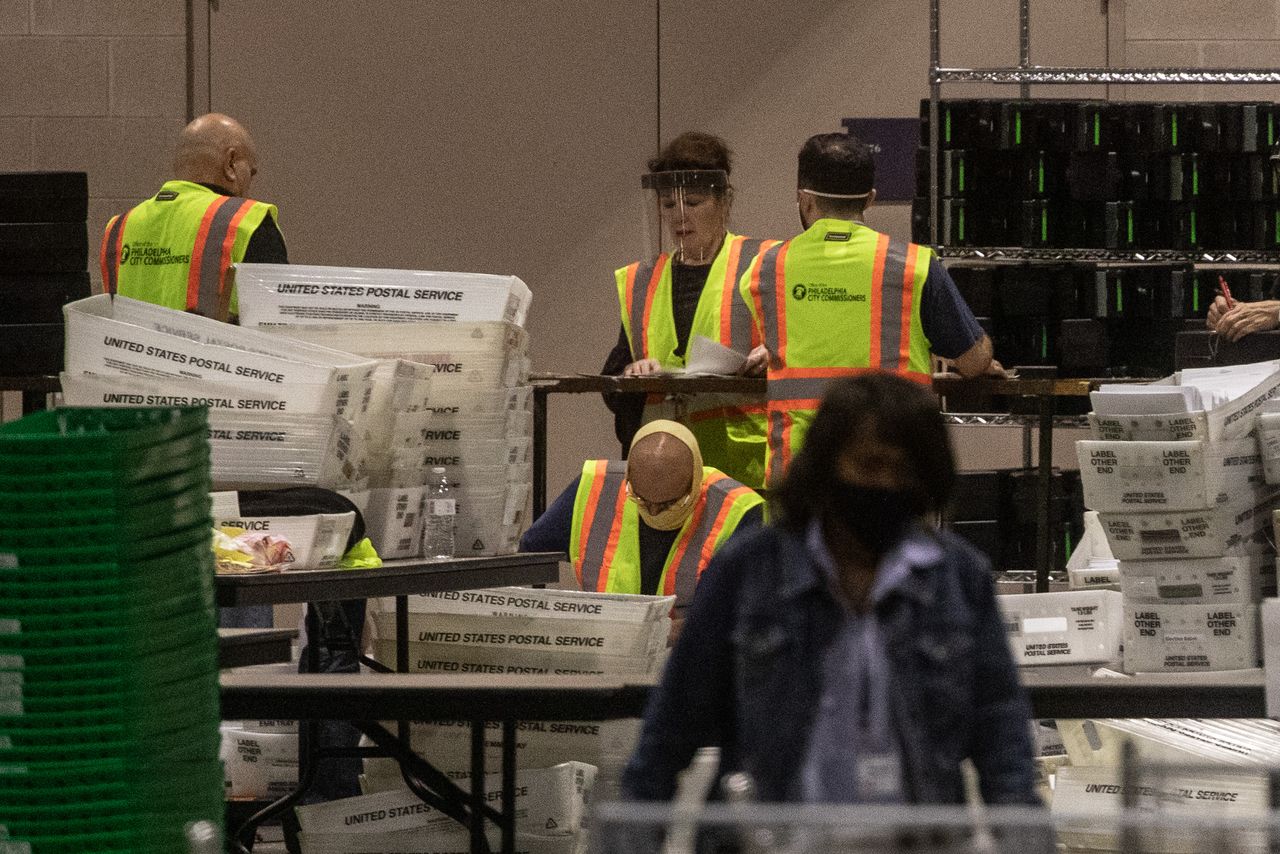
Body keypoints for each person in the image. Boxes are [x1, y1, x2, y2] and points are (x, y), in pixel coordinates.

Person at [621, 372, 1039, 809]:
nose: (887, 486)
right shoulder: (751, 571)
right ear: (826, 464)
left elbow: (1002, 737)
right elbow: (672, 727)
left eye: (905, 471)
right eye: (870, 465)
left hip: (916, 840)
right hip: (773, 838)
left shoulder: (958, 578)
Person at [740, 132, 1001, 483]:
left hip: (801, 475)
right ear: (871, 199)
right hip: (893, 473)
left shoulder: (762, 270)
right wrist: (983, 355)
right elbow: (973, 362)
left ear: (804, 200)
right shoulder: (915, 266)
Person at [602, 132, 778, 488]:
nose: (679, 217)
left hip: (740, 472)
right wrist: (632, 372)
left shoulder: (766, 264)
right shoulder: (642, 280)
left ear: (723, 202)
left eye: (694, 203)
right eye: (668, 205)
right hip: (663, 470)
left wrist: (776, 353)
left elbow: (805, 347)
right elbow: (614, 373)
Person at [519, 420, 763, 616]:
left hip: (691, 656)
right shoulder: (596, 486)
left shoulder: (740, 510)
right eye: (642, 500)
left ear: (695, 481)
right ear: (628, 476)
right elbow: (528, 556)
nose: (654, 512)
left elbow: (758, 609)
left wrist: (691, 629)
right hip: (608, 651)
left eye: (669, 503)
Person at [100, 112, 287, 323]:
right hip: (219, 356)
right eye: (250, 172)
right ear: (231, 163)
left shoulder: (118, 228)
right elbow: (277, 331)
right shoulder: (247, 222)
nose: (250, 183)